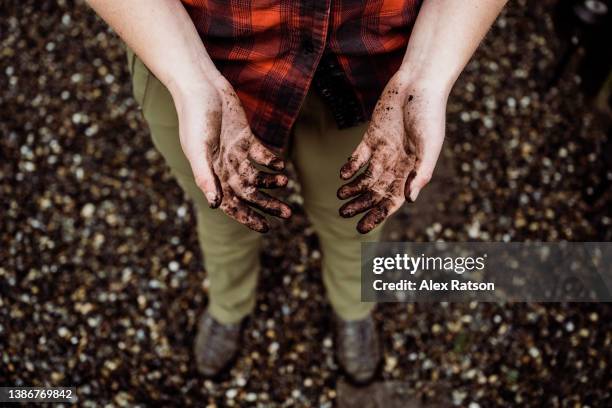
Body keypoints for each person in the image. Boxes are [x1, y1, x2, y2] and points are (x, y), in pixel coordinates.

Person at [86, 0, 507, 384]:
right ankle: (230, 305)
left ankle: (352, 308)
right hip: (200, 60)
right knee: (222, 207)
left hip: (377, 72)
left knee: (360, 208)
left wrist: (426, 77)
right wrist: (190, 81)